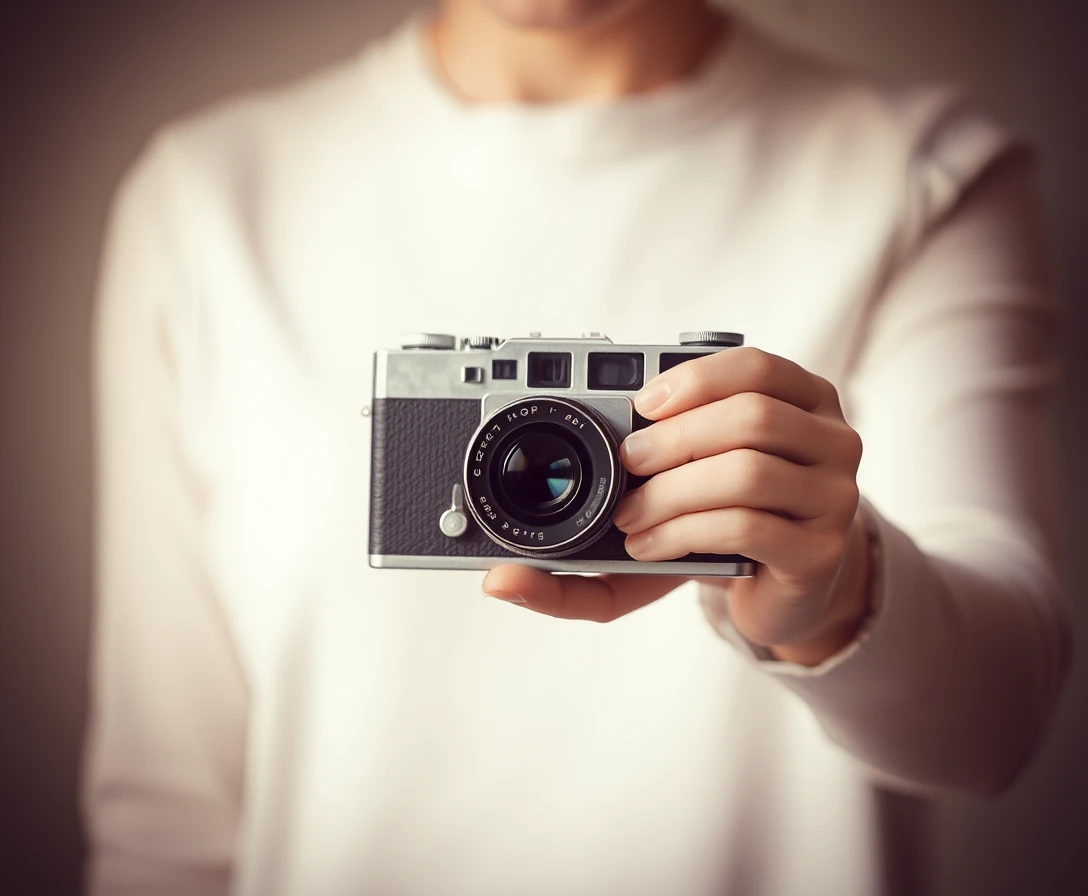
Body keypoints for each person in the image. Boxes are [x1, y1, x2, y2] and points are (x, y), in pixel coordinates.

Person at [84, 0, 1073, 894]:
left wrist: (834, 590)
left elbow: (992, 729)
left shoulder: (919, 171)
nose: (559, 471)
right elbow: (166, 812)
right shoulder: (208, 198)